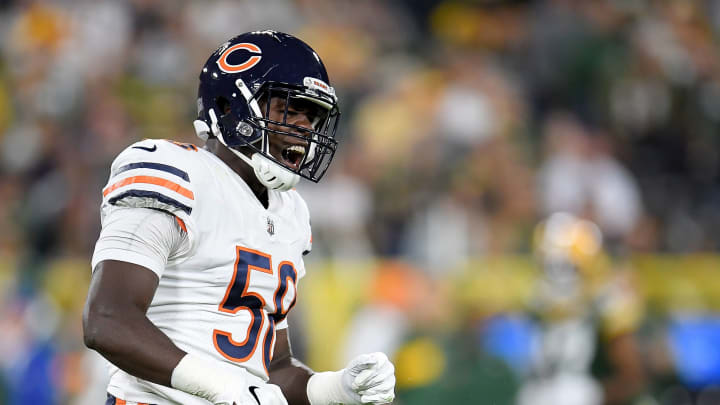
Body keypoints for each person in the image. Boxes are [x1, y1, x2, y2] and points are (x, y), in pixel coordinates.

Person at [82, 30, 396, 405]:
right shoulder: (173, 171)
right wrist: (223, 388)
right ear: (230, 108)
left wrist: (337, 388)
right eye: (289, 109)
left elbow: (272, 369)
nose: (304, 128)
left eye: (312, 116)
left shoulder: (291, 211)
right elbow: (108, 319)